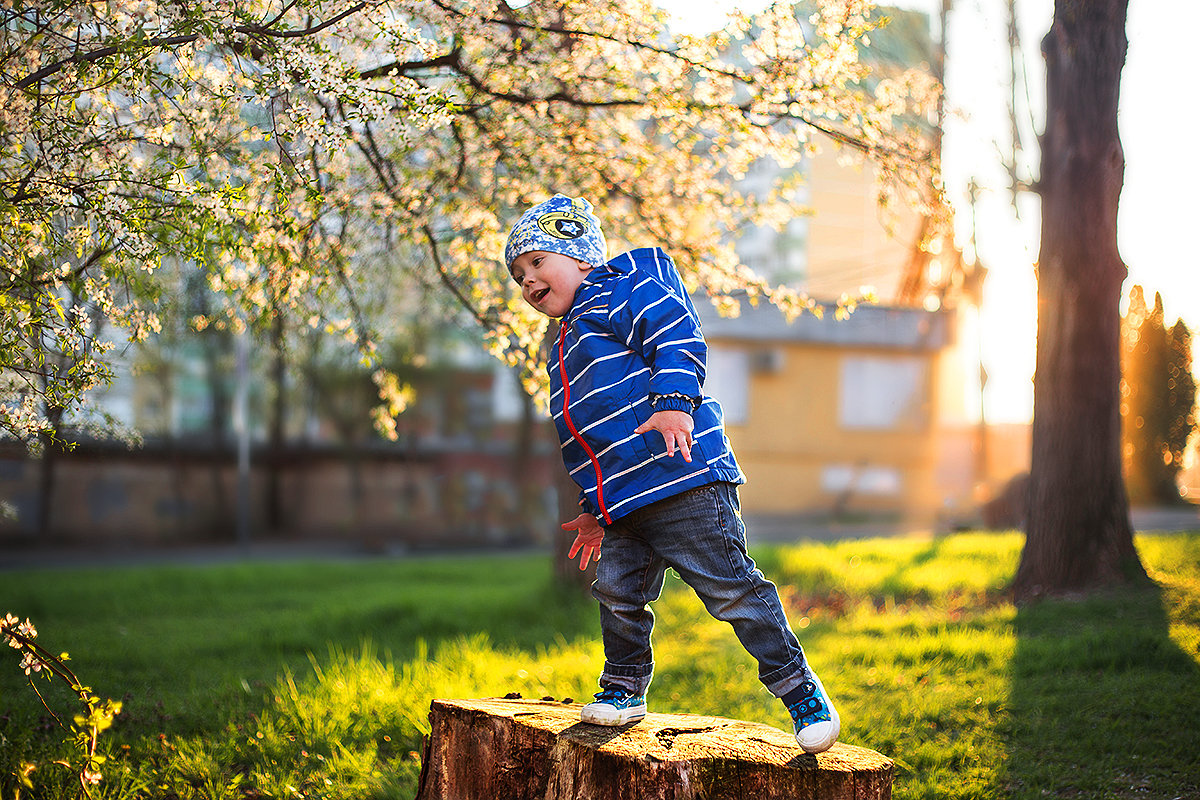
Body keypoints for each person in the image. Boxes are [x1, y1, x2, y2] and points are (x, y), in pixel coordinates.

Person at [503, 193, 840, 754]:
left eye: (537, 261)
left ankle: (799, 690)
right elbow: (588, 436)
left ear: (581, 255)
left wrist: (676, 401)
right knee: (616, 595)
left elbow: (677, 336)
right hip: (624, 504)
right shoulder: (560, 344)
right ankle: (623, 690)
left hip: (684, 479)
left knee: (731, 590)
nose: (527, 281)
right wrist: (593, 506)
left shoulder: (623, 289)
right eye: (518, 275)